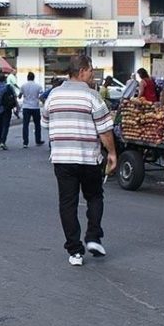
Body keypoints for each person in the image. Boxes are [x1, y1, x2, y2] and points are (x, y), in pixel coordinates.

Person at [41, 55, 117, 266]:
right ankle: (93, 237)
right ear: (82, 71)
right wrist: (112, 153)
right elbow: (105, 130)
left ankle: (74, 251)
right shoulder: (92, 96)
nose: (93, 74)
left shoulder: (53, 96)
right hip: (88, 158)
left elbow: (45, 122)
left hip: (62, 159)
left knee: (67, 203)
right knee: (94, 197)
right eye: (91, 70)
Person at [19, 72, 44, 148]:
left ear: (27, 77)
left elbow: (19, 96)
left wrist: (23, 95)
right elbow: (41, 96)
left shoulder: (23, 86)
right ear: (34, 78)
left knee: (25, 125)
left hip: (26, 107)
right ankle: (38, 140)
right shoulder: (38, 86)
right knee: (37, 125)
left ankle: (25, 142)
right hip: (35, 107)